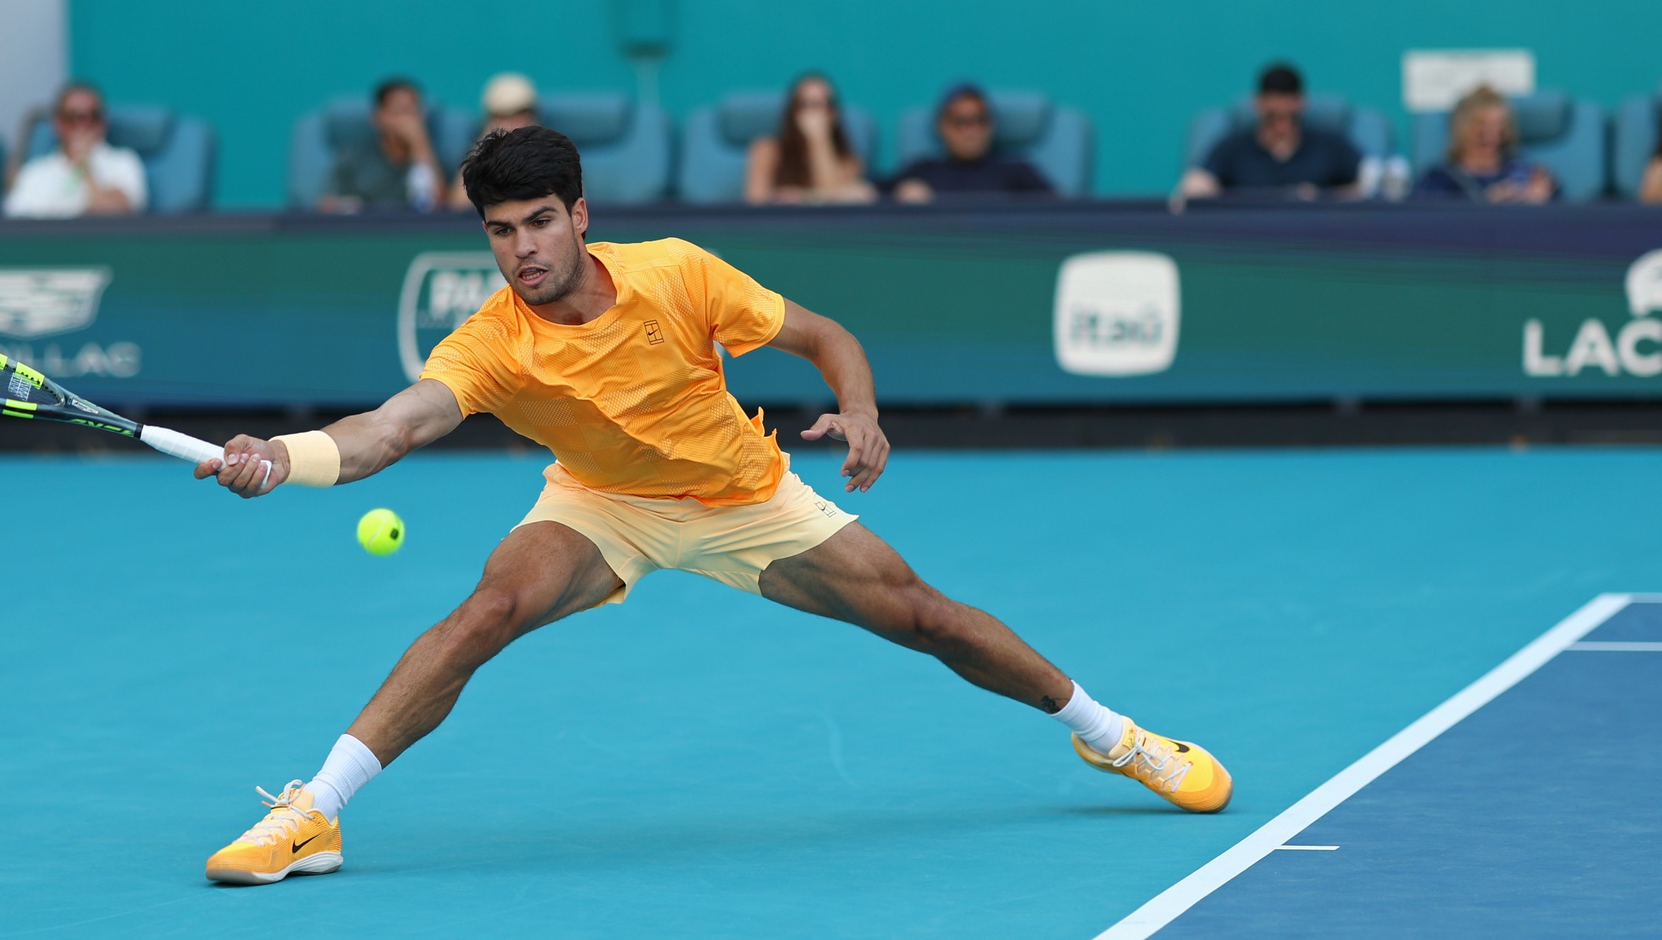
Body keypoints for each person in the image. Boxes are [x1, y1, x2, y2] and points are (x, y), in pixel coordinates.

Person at [196, 125, 1233, 884]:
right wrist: (283, 457)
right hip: (599, 504)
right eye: (501, 231)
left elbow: (827, 336)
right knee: (484, 614)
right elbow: (393, 426)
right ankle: (317, 812)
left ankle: (1112, 735)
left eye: (540, 223)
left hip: (746, 499)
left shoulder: (676, 276)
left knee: (922, 615)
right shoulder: (491, 341)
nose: (522, 251)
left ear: (580, 216)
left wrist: (860, 411)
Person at [1178, 63, 1364, 200]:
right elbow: (1198, 185)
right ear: (1258, 104)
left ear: (1301, 103)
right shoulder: (1232, 149)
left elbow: (1368, 183)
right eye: (1273, 117)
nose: (1281, 126)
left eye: (1288, 116)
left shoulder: (1329, 146)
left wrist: (1322, 196)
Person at [2, 82, 148, 218]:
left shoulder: (124, 162)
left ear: (103, 122)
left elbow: (120, 216)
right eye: (72, 117)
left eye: (91, 117)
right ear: (57, 123)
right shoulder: (34, 173)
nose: (82, 125)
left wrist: (85, 170)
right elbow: (16, 227)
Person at [888, 85, 1053, 202]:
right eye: (960, 122)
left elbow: (1062, 209)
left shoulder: (1016, 171)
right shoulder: (922, 171)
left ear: (991, 125)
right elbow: (872, 195)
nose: (971, 131)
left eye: (980, 120)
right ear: (942, 126)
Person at [319, 77, 445, 213]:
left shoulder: (430, 158)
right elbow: (326, 203)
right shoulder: (353, 157)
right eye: (398, 111)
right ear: (378, 116)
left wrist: (420, 145)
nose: (407, 121)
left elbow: (438, 206)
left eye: (412, 112)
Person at [744, 73, 875, 205]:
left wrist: (819, 141)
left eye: (819, 104)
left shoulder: (849, 162)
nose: (811, 112)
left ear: (832, 114)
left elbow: (834, 198)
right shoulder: (767, 149)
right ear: (793, 112)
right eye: (803, 104)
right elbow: (756, 203)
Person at [1412, 87, 1557, 203]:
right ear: (1462, 131)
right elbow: (1426, 222)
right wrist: (1483, 204)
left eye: (1500, 128)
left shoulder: (1527, 174)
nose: (1492, 136)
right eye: (1481, 128)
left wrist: (1539, 205)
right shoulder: (1437, 180)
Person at [446, 72, 539, 210]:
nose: (513, 125)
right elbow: (458, 207)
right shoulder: (481, 155)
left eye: (520, 114)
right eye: (503, 115)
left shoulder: (554, 153)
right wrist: (488, 142)